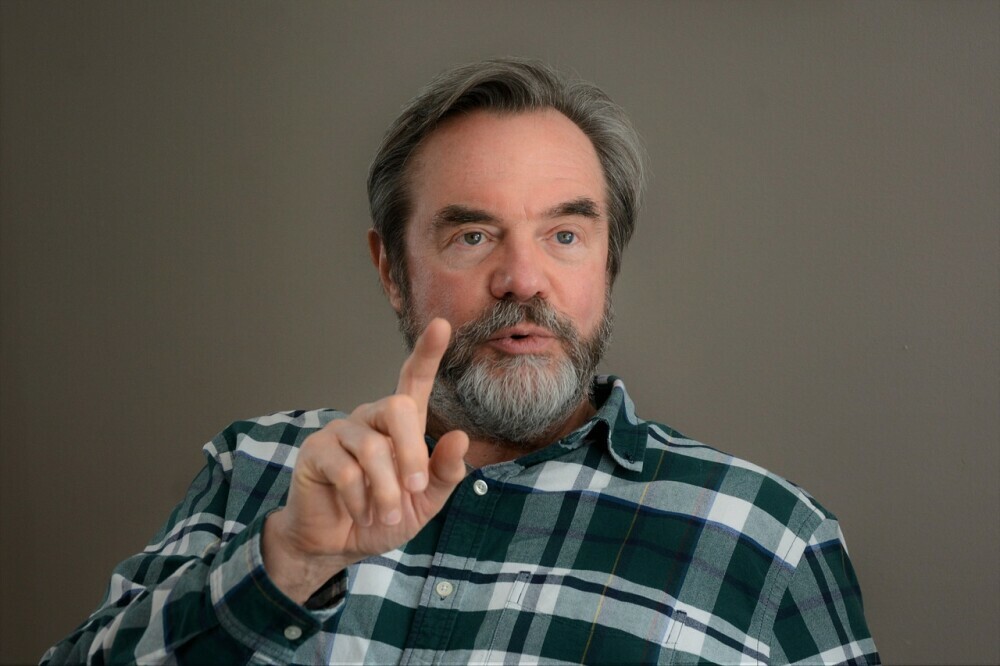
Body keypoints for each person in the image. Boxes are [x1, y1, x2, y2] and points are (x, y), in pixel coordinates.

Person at [43, 58, 879, 665]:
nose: (522, 277)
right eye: (472, 234)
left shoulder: (768, 541)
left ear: (607, 262)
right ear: (389, 267)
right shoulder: (257, 472)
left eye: (564, 234)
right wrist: (287, 561)